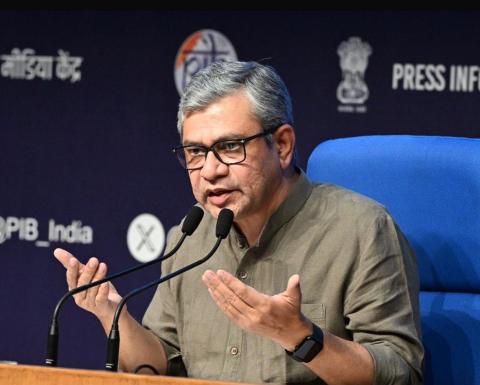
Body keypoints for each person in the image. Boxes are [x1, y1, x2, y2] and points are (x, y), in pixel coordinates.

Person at [54, 60, 424, 385]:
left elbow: (399, 372)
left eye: (230, 147)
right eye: (196, 152)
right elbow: (159, 367)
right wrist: (111, 314)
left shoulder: (360, 230)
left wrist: (301, 337)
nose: (210, 171)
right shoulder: (189, 237)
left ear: (281, 145)